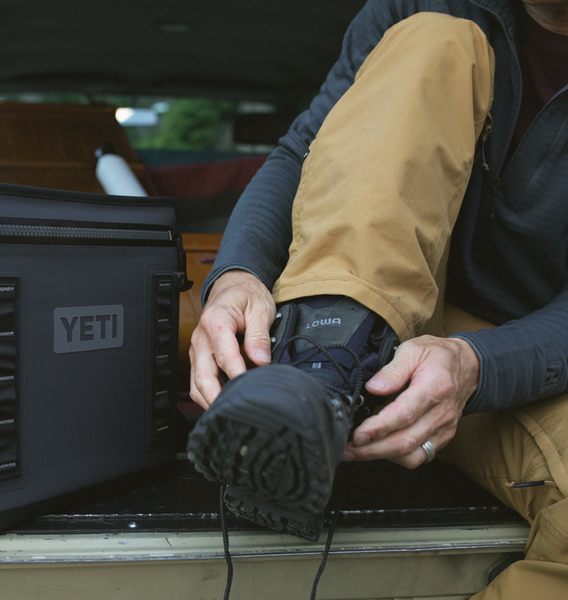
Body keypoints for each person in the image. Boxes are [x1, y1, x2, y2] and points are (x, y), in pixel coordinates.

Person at [185, 0, 568, 597]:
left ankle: (321, 376)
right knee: (435, 39)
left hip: (522, 352)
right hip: (369, 305)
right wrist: (237, 274)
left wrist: (478, 365)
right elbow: (303, 153)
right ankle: (318, 368)